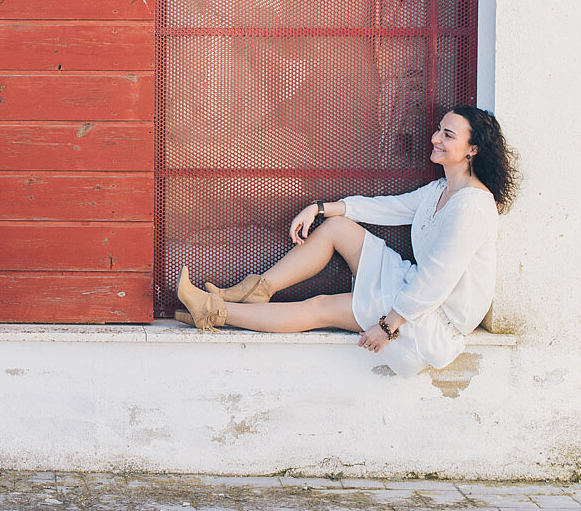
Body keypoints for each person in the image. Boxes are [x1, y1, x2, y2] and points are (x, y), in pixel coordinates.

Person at [175, 106, 519, 377]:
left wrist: (388, 325)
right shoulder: (440, 190)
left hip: (428, 324)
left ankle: (212, 311)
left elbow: (439, 279)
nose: (435, 138)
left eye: (448, 134)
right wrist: (321, 208)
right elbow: (390, 207)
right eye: (437, 130)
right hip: (413, 290)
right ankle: (255, 291)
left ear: (472, 149)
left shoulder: (472, 206)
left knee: (320, 306)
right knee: (337, 226)